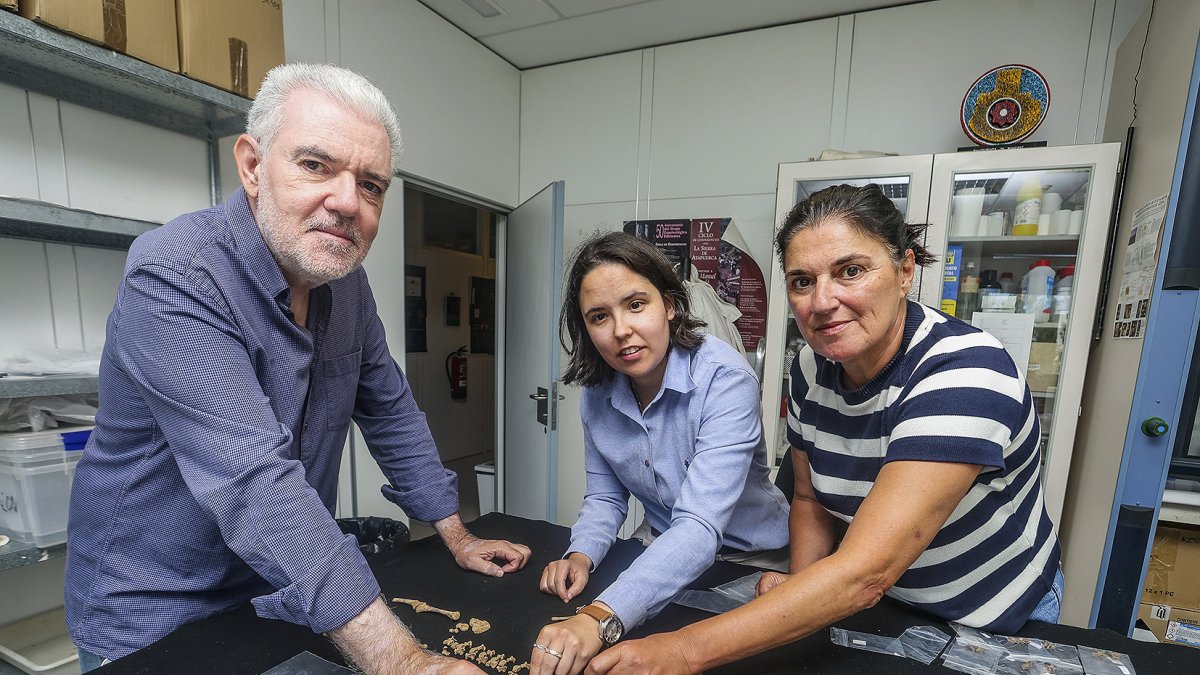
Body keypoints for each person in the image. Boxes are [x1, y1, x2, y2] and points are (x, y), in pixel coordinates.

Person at [64, 63, 529, 674]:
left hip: (276, 590)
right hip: (153, 611)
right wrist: (407, 664)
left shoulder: (348, 288)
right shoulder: (175, 274)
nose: (346, 203)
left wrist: (456, 532)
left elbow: (389, 408)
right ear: (253, 166)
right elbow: (256, 482)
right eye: (315, 166)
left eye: (371, 185)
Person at [587, 184, 1063, 674]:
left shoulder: (964, 372)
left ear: (904, 271)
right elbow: (811, 501)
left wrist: (682, 650)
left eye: (850, 271)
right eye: (802, 281)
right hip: (888, 604)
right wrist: (801, 581)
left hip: (991, 616)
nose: (823, 301)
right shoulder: (811, 369)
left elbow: (865, 571)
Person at [529, 232, 790, 675]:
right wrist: (581, 554)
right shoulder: (597, 395)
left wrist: (599, 617)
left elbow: (700, 526)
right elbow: (606, 497)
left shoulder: (724, 379)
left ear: (669, 305)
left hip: (751, 562)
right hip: (666, 549)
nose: (621, 331)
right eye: (599, 316)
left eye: (636, 305)